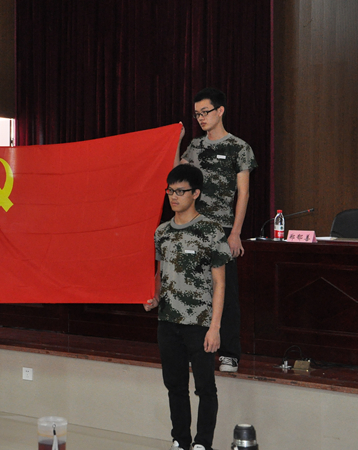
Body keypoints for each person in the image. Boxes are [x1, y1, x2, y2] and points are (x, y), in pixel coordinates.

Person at [146, 164, 232, 450]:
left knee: (205, 387)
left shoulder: (211, 230)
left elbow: (220, 283)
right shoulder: (162, 232)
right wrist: (154, 296)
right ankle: (180, 440)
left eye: (180, 191)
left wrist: (215, 327)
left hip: (200, 323)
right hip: (168, 322)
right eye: (170, 191)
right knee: (175, 386)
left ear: (195, 193)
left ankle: (202, 443)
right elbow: (161, 273)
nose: (174, 196)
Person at [180, 87, 257, 373]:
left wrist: (235, 233)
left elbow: (243, 193)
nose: (201, 118)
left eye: (206, 112)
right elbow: (177, 176)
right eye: (197, 114)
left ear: (220, 111)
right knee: (194, 289)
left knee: (225, 291)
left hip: (222, 229)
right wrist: (176, 142)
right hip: (193, 228)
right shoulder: (195, 147)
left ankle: (229, 353)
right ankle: (196, 349)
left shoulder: (239, 147)